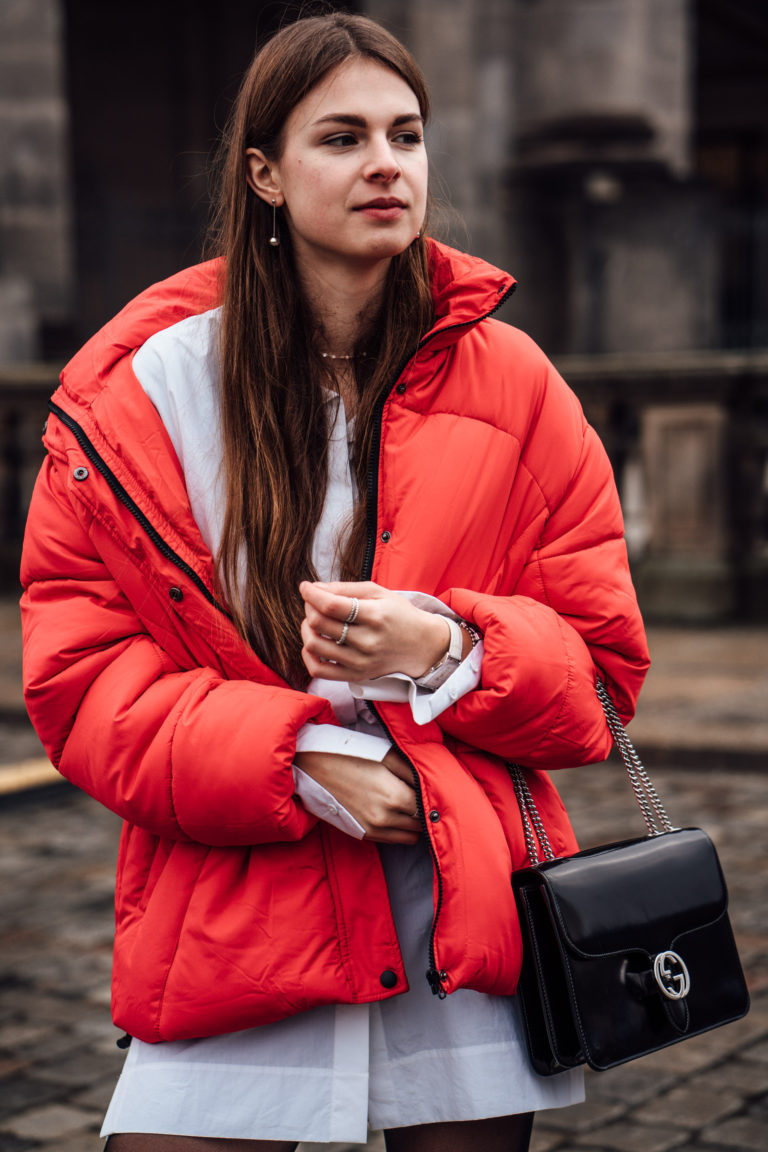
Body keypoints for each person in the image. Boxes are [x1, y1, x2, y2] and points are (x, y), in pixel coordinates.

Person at [20, 12, 649, 1152]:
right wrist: (303, 758)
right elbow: (81, 680)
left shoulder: (518, 383)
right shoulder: (142, 396)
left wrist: (449, 648)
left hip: (457, 905)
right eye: (343, 137)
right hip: (232, 898)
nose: (385, 166)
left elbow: (601, 676)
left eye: (407, 135)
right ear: (263, 173)